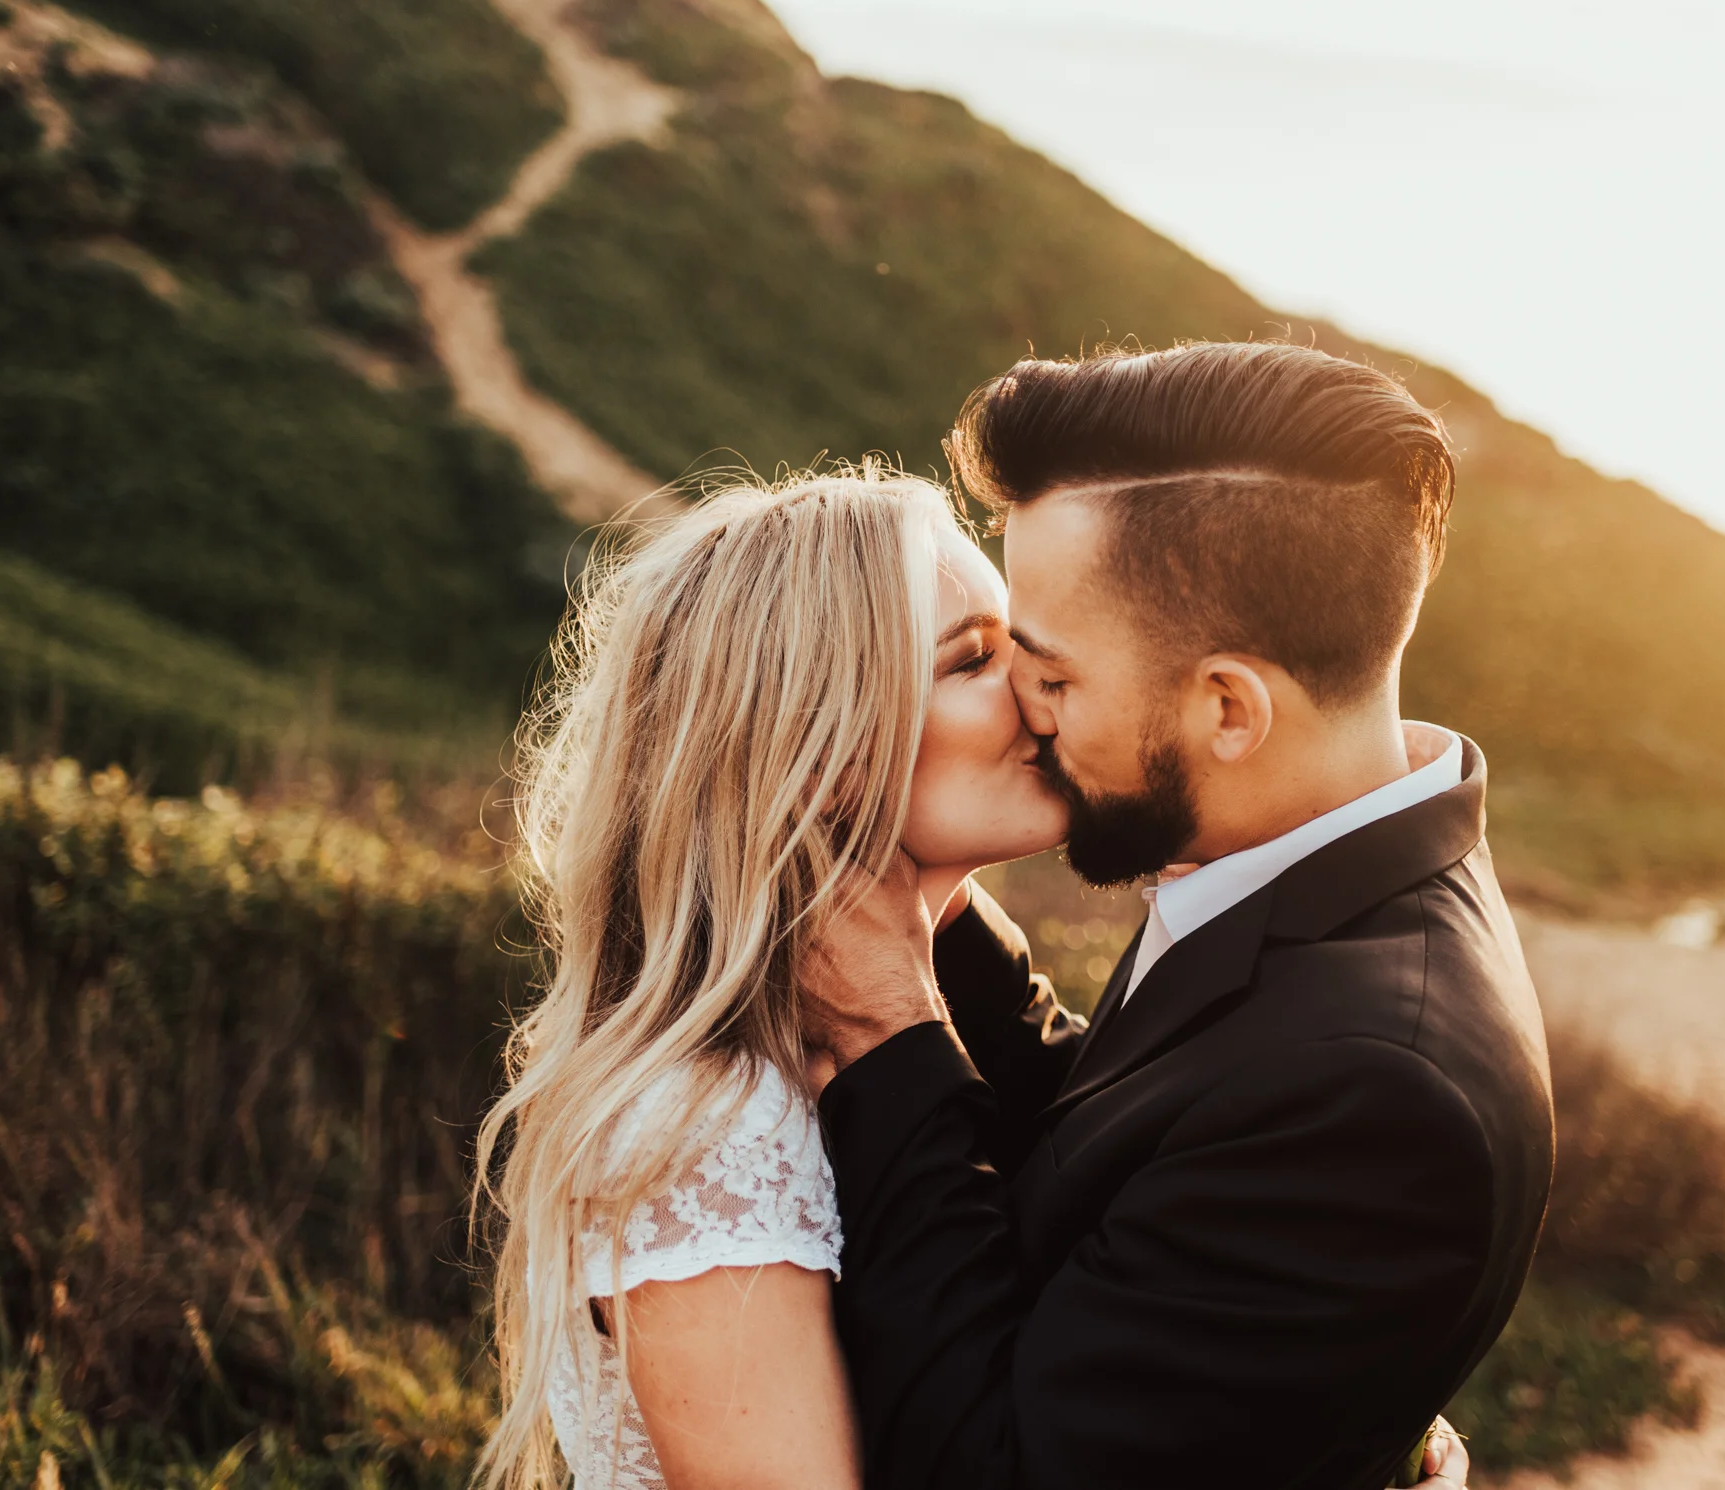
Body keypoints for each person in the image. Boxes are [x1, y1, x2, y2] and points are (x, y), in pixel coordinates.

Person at [469, 459, 1479, 1490]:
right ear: (819, 753)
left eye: (1029, 651)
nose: (1041, 697)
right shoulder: (707, 1129)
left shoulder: (936, 1015)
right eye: (974, 661)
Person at [804, 341, 1554, 1490]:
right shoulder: (1313, 864)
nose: (1025, 710)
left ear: (1229, 710)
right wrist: (931, 918)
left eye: (1054, 679)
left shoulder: (1380, 1096)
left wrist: (886, 1038)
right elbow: (1128, 1139)